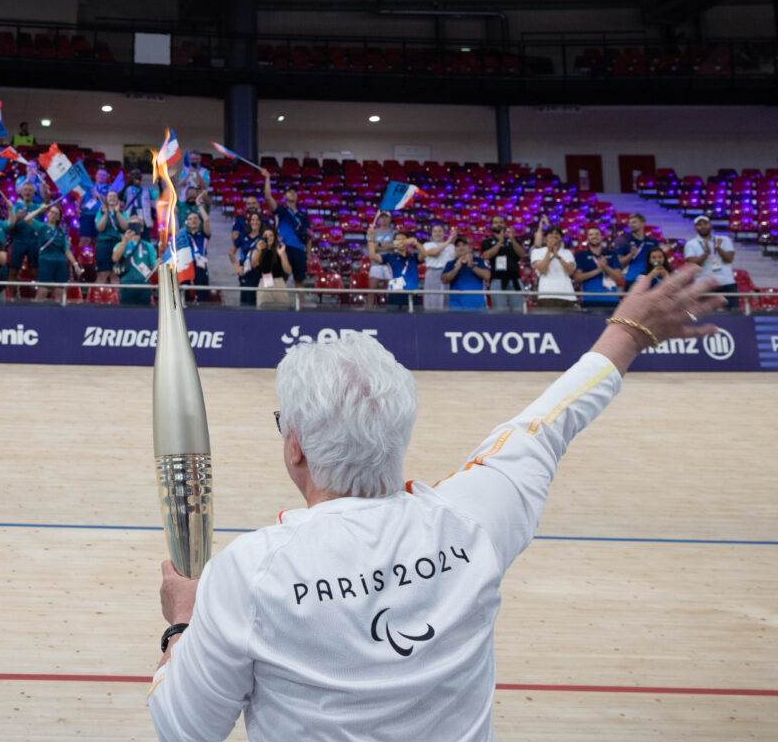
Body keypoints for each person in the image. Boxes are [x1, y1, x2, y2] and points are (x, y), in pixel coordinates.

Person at [147, 263, 725, 742]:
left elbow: (184, 730)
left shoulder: (247, 575)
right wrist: (630, 330)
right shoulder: (472, 518)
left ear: (294, 446)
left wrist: (184, 625)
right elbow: (551, 420)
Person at [263, 171, 312, 292]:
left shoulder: (303, 215)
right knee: (281, 279)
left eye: (294, 192)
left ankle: (302, 307)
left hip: (300, 250)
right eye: (290, 192)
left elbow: (309, 235)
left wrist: (309, 254)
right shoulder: (280, 211)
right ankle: (279, 304)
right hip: (283, 249)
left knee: (299, 281)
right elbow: (268, 197)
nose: (293, 194)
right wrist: (268, 178)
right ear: (285, 196)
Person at [683, 215, 738, 307]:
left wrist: (719, 249)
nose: (703, 226)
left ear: (711, 225)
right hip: (705, 283)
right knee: (707, 314)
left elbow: (729, 259)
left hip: (726, 282)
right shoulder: (691, 244)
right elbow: (692, 264)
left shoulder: (724, 240)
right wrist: (706, 254)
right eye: (699, 225)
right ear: (695, 228)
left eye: (705, 224)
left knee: (733, 313)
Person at [34, 203, 81, 302]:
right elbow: (27, 219)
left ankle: (59, 315)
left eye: (56, 213)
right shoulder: (41, 226)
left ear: (59, 216)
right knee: (42, 291)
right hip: (45, 261)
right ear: (48, 213)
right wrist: (39, 209)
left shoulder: (62, 231)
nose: (53, 214)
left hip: (60, 262)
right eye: (52, 212)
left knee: (60, 293)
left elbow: (67, 249)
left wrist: (75, 264)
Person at [480, 215, 527, 314]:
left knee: (518, 312)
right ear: (492, 226)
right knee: (499, 312)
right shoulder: (487, 242)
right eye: (496, 222)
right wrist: (500, 241)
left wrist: (512, 239)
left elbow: (522, 254)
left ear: (505, 225)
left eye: (501, 222)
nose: (499, 224)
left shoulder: (515, 240)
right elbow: (486, 256)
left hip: (515, 280)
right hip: (497, 280)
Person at [7, 180, 51, 286]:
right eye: (25, 190)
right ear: (21, 193)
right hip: (18, 241)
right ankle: (11, 298)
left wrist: (46, 193)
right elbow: (10, 225)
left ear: (33, 193)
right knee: (13, 271)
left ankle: (34, 298)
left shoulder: (37, 207)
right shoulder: (16, 207)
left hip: (34, 242)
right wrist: (16, 218)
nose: (27, 192)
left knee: (34, 271)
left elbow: (47, 205)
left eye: (30, 190)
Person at [368, 229, 423, 311]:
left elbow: (425, 254)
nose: (401, 242)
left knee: (418, 321)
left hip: (413, 294)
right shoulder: (390, 257)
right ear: (394, 243)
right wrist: (371, 238)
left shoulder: (413, 257)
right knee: (392, 321)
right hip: (395, 294)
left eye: (403, 240)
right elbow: (372, 256)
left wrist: (415, 242)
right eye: (397, 240)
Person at [573, 227, 625, 309]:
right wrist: (598, 270)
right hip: (589, 299)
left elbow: (619, 277)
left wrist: (606, 267)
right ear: (587, 238)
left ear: (602, 237)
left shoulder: (612, 254)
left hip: (611, 299)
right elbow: (578, 277)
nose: (594, 236)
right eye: (591, 234)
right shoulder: (580, 255)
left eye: (597, 234)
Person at [531, 225, 577, 310]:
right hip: (546, 295)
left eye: (557, 234)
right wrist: (549, 251)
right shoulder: (537, 252)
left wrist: (557, 256)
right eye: (550, 234)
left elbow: (570, 271)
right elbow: (543, 270)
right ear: (545, 238)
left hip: (567, 295)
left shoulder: (567, 253)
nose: (554, 236)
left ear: (561, 238)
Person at [113, 219, 157, 306]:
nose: (134, 228)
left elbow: (154, 267)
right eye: (131, 225)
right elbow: (115, 258)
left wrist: (159, 265)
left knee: (144, 315)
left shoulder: (148, 246)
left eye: (137, 225)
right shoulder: (121, 244)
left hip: (144, 285)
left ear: (142, 228)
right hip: (126, 284)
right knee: (125, 315)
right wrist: (125, 240)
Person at [440, 236, 491, 311]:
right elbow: (444, 280)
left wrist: (471, 266)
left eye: (464, 245)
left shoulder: (479, 261)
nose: (461, 247)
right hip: (456, 306)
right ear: (455, 249)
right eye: (458, 245)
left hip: (478, 306)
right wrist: (456, 269)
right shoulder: (450, 263)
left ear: (470, 248)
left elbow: (487, 276)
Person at [251, 224, 292, 309]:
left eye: (271, 235)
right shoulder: (257, 251)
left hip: (279, 283)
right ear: (262, 237)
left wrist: (282, 254)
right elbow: (254, 264)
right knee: (263, 313)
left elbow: (288, 271)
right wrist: (259, 250)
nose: (268, 237)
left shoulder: (280, 250)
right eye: (266, 235)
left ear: (275, 237)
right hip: (264, 283)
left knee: (281, 312)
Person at [420, 222, 456, 312]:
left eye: (440, 231)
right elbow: (436, 253)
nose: (437, 233)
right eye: (435, 231)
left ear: (444, 233)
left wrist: (452, 241)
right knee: (432, 299)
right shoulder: (427, 245)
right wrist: (450, 239)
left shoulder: (452, 247)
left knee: (446, 299)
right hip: (433, 273)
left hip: (447, 275)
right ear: (431, 234)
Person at [615, 213, 659, 286]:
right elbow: (619, 263)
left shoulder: (653, 242)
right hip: (632, 280)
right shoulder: (624, 241)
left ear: (643, 223)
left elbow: (657, 262)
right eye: (629, 223)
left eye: (634, 222)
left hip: (650, 279)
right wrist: (631, 255)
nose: (631, 225)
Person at [233, 211, 266, 307]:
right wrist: (236, 266)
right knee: (246, 300)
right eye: (253, 220)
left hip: (261, 269)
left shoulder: (264, 237)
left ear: (261, 222)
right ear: (249, 222)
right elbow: (231, 252)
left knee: (260, 299)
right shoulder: (243, 235)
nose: (255, 222)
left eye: (257, 220)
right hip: (246, 269)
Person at [94, 191, 126, 285]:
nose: (112, 198)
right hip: (104, 245)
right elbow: (100, 228)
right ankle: (99, 298)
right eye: (110, 196)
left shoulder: (122, 213)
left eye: (114, 196)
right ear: (106, 199)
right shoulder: (100, 213)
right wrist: (105, 214)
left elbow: (125, 227)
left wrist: (117, 212)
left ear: (117, 200)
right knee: (102, 274)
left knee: (116, 274)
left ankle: (115, 299)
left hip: (117, 245)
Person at [180, 209, 211, 304]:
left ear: (199, 221)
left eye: (195, 218)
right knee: (184, 296)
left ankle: (203, 314)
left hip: (200, 266)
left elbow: (206, 220)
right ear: (187, 222)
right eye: (190, 219)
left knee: (202, 295)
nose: (193, 220)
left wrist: (199, 205)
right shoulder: (184, 235)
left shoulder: (204, 234)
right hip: (186, 265)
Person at [365, 212, 397, 297]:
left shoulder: (395, 233)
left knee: (391, 291)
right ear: (378, 219)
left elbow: (397, 246)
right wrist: (388, 246)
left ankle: (390, 309)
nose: (384, 219)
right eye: (382, 217)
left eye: (386, 217)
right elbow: (371, 247)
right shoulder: (373, 232)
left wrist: (378, 245)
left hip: (390, 265)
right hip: (376, 264)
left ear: (390, 219)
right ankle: (369, 308)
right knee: (371, 291)